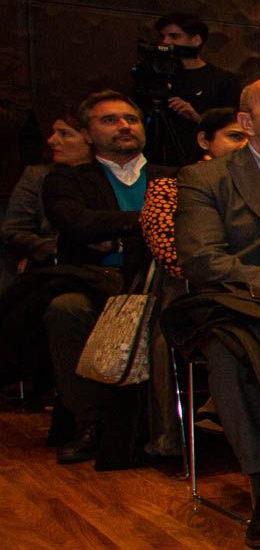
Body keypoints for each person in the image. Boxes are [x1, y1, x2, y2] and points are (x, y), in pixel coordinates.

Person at [172, 75, 260, 548]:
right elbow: (204, 260)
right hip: (248, 297)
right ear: (247, 122)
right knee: (228, 348)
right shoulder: (206, 177)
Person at [39, 92, 174, 465]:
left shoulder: (173, 176)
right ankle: (91, 422)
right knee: (65, 310)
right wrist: (148, 224)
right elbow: (77, 223)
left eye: (130, 118)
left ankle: (167, 432)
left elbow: (185, 229)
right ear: (86, 132)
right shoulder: (67, 180)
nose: (124, 126)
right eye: (110, 120)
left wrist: (115, 234)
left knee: (169, 312)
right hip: (96, 281)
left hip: (158, 283)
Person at [140, 107, 247, 283]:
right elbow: (176, 261)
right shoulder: (169, 188)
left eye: (253, 139)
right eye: (235, 136)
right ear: (204, 140)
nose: (245, 146)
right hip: (205, 294)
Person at [2, 113, 92, 294]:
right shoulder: (38, 176)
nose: (51, 141)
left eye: (64, 134)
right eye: (53, 133)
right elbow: (13, 231)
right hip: (53, 268)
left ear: (90, 138)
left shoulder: (111, 177)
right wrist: (52, 248)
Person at [145, 13, 240, 164]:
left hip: (198, 158)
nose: (166, 42)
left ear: (196, 40)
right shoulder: (154, 77)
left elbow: (230, 127)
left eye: (174, 37)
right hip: (156, 158)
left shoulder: (223, 81)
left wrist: (196, 116)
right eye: (163, 37)